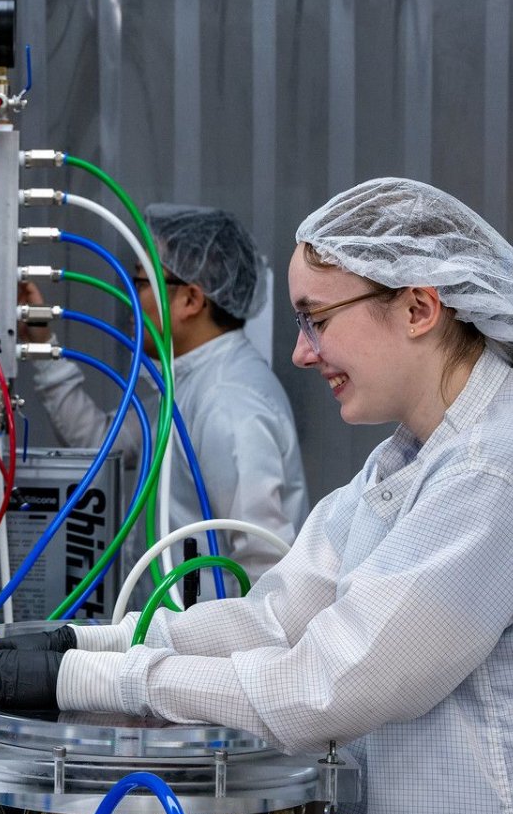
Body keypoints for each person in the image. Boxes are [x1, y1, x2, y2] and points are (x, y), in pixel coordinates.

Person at [0, 178, 513, 814]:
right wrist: (86, 643)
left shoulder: (494, 473)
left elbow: (321, 685)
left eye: (317, 320)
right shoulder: (413, 462)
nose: (300, 352)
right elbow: (276, 617)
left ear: (419, 309)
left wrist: (87, 678)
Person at [20, 204, 307, 583]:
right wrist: (45, 349)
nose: (132, 299)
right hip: (179, 633)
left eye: (142, 282)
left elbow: (266, 564)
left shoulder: (229, 402)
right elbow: (103, 445)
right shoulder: (187, 381)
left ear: (191, 299)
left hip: (212, 641)